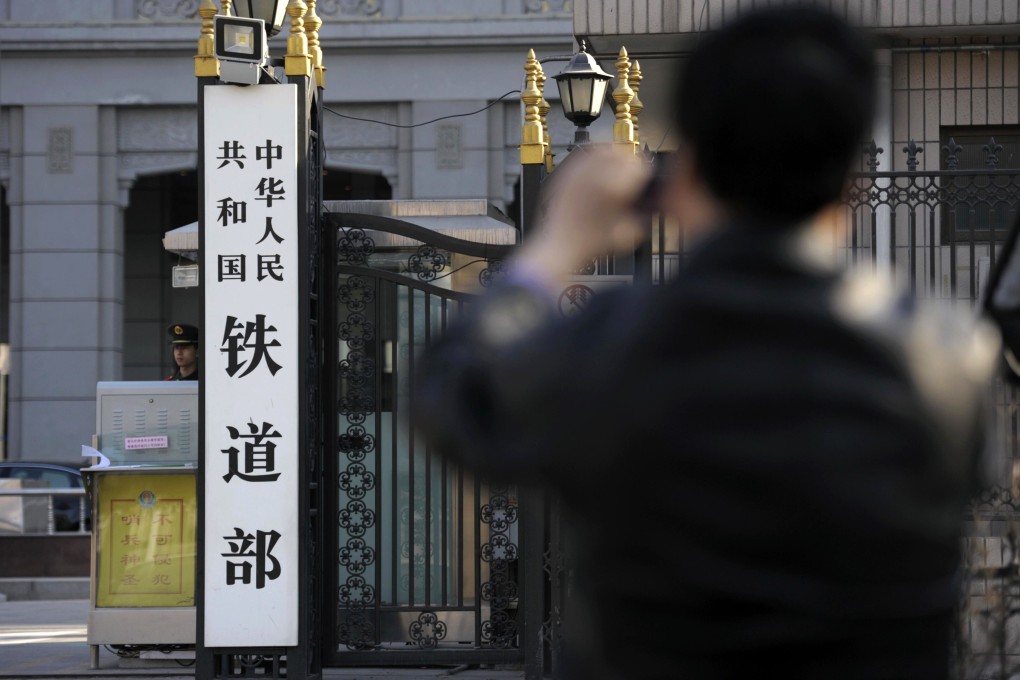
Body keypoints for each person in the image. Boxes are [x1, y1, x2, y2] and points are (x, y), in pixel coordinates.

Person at [415, 7, 1000, 680]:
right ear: (853, 183)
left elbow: (450, 392)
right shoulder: (952, 358)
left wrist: (555, 248)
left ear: (685, 169)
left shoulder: (609, 347)